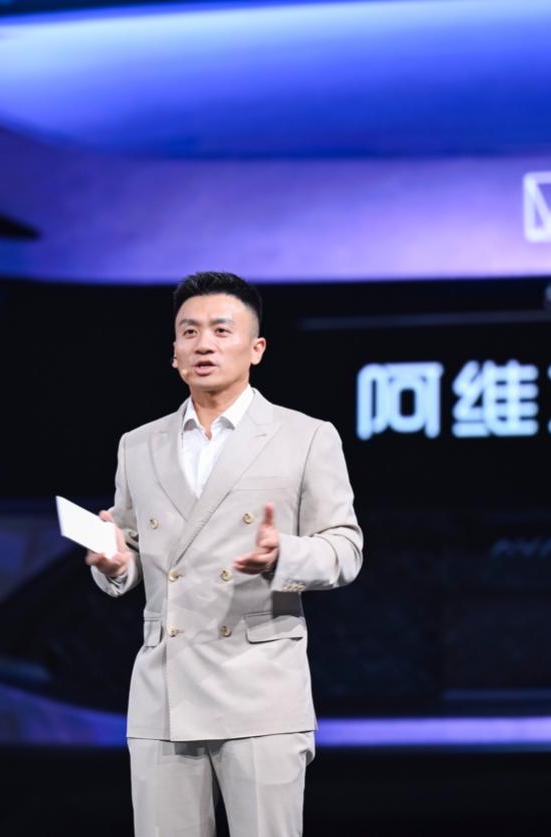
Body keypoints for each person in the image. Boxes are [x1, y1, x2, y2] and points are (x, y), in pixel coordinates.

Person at [86, 271, 362, 836]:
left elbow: (345, 549)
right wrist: (115, 564)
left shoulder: (306, 436)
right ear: (174, 353)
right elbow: (131, 548)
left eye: (220, 330)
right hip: (164, 690)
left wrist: (282, 554)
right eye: (189, 332)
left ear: (256, 348)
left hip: (260, 689)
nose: (203, 344)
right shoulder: (138, 445)